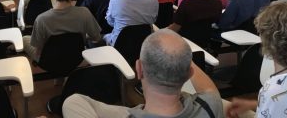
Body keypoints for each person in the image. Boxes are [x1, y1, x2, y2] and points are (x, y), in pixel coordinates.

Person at [62, 29, 224, 118]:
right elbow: (209, 89)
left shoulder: (127, 115)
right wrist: (180, 56)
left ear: (139, 69)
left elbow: (74, 101)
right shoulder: (210, 105)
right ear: (189, 73)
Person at [23, 0, 101, 62]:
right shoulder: (84, 13)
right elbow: (96, 38)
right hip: (76, 59)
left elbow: (38, 51)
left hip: (49, 62)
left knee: (25, 39)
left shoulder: (41, 19)